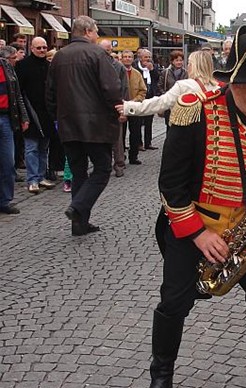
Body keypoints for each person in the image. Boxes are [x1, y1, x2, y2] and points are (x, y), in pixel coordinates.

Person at [144, 25, 246, 388]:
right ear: (239, 84)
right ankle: (161, 375)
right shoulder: (196, 113)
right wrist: (197, 234)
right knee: (173, 304)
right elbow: (171, 186)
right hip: (194, 228)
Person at [46, 15, 124, 236]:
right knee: (102, 169)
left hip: (69, 125)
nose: (98, 35)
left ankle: (79, 224)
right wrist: (117, 109)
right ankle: (78, 208)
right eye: (96, 31)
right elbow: (111, 87)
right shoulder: (98, 53)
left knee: (79, 172)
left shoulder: (59, 57)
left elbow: (49, 94)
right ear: (88, 31)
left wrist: (58, 117)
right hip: (95, 125)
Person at [118, 51, 219, 120]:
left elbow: (159, 103)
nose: (187, 66)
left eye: (189, 63)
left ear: (194, 66)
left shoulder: (184, 85)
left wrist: (129, 107)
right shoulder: (218, 87)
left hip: (189, 137)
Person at [15, 36, 56, 194]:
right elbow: (19, 92)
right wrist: (22, 115)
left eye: (44, 47)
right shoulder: (23, 66)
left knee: (44, 147)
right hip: (30, 112)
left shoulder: (49, 66)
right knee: (31, 148)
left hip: (47, 113)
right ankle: (32, 179)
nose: (42, 50)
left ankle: (40, 176)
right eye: (38, 48)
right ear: (31, 48)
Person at [0, 49, 29, 214]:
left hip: (5, 118)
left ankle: (5, 200)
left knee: (8, 162)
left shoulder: (7, 67)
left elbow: (17, 95)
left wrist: (23, 117)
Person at [99, 39, 129, 178]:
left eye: (108, 50)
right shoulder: (94, 64)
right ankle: (102, 165)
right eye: (104, 50)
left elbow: (124, 89)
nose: (106, 52)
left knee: (117, 139)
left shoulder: (118, 66)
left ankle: (119, 164)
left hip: (115, 107)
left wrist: (124, 109)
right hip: (98, 108)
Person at [120, 50, 146, 165]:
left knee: (135, 133)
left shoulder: (137, 73)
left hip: (134, 107)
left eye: (129, 57)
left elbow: (143, 90)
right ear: (121, 59)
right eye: (125, 57)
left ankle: (133, 156)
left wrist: (135, 100)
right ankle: (121, 157)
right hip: (121, 107)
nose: (127, 59)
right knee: (120, 134)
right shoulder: (117, 71)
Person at [157, 50, 188, 129]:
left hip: (182, 104)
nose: (179, 62)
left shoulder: (186, 73)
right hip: (169, 103)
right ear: (172, 61)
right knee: (169, 126)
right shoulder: (166, 72)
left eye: (181, 60)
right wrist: (166, 95)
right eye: (176, 60)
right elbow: (160, 86)